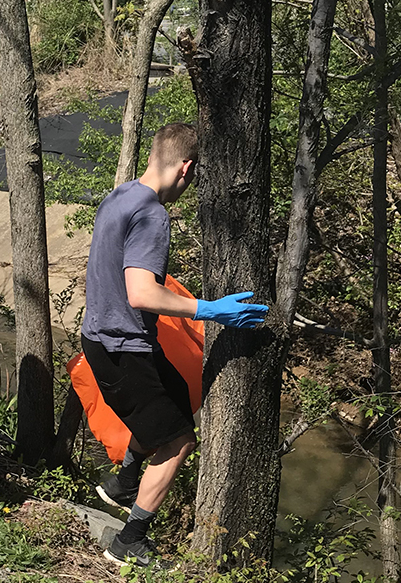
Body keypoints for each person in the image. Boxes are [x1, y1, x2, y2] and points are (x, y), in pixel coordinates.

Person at [80, 123, 269, 566]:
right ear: (186, 167)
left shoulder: (120, 195)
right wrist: (211, 310)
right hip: (122, 348)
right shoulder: (152, 214)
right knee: (180, 439)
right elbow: (141, 293)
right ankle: (130, 539)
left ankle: (122, 484)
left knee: (179, 403)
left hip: (108, 339)